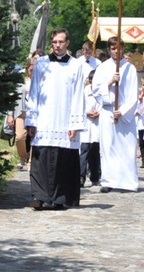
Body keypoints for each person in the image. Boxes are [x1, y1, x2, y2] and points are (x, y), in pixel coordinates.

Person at [25, 29, 85, 210]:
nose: (57, 46)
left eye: (61, 42)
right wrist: (31, 120)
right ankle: (39, 196)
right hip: (44, 118)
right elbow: (34, 91)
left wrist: (75, 122)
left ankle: (60, 198)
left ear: (68, 43)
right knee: (40, 158)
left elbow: (78, 95)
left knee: (63, 159)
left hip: (65, 119)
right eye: (54, 42)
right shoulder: (41, 64)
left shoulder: (76, 65)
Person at [92, 36, 139, 193]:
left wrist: (123, 111)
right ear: (109, 49)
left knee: (126, 147)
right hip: (107, 110)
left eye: (119, 48)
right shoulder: (102, 68)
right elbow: (96, 90)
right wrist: (111, 82)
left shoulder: (129, 68)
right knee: (108, 147)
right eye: (113, 48)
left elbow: (133, 95)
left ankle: (127, 181)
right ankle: (109, 180)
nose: (116, 51)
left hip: (124, 113)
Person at [7, 57, 35, 171]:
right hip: (21, 113)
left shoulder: (41, 81)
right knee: (19, 137)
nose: (32, 72)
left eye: (34, 70)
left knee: (34, 139)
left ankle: (31, 161)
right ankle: (23, 156)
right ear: (27, 68)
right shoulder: (20, 82)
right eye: (30, 70)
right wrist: (10, 114)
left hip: (34, 114)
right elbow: (12, 98)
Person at [80, 70, 101, 188]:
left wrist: (99, 112)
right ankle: (81, 176)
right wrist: (86, 112)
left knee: (95, 152)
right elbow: (80, 105)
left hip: (97, 123)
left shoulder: (102, 91)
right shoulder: (84, 91)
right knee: (84, 151)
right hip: (86, 123)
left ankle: (95, 176)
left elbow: (105, 105)